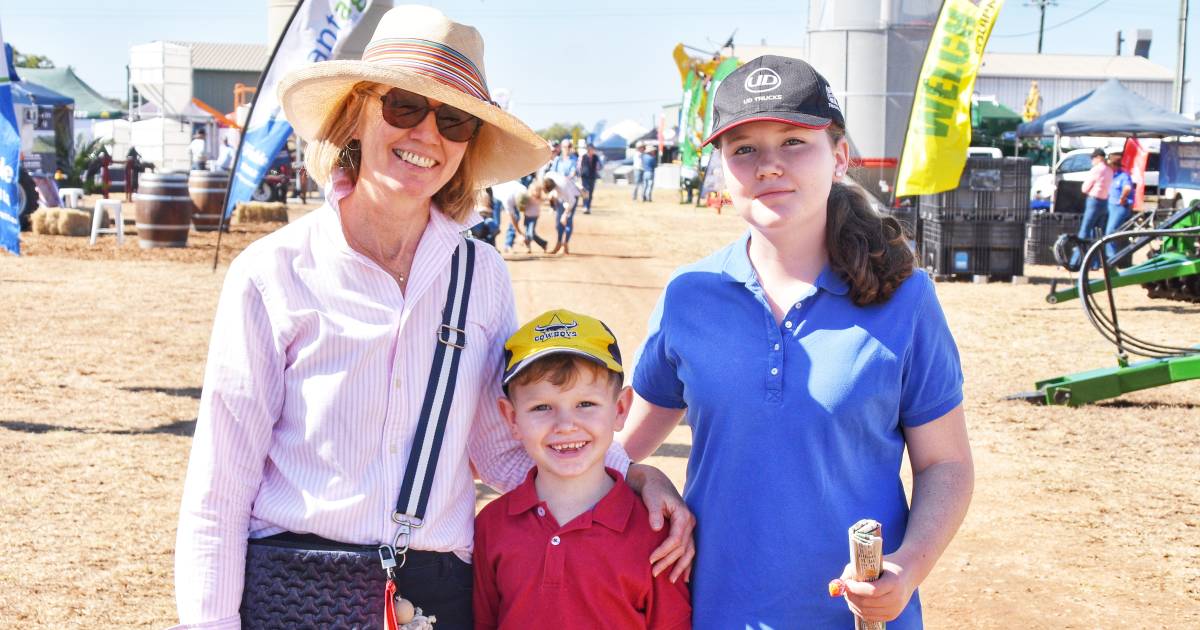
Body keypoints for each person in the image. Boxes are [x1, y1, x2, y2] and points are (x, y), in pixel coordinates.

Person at [172, 7, 693, 630]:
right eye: (403, 107)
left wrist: (633, 476)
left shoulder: (482, 274)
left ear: (468, 143)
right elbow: (219, 492)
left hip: (435, 594)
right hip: (295, 586)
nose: (426, 134)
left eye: (453, 119)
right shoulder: (271, 271)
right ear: (356, 113)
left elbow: (504, 448)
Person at [618, 55, 973, 629]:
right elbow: (618, 451)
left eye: (793, 142)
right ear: (721, 169)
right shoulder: (690, 295)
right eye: (744, 149)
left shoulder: (906, 298)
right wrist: (643, 475)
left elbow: (947, 464)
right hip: (715, 612)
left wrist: (907, 570)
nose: (769, 166)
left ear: (839, 157)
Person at [473, 309, 692, 629]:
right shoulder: (491, 527)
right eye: (541, 407)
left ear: (620, 409)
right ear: (511, 418)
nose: (565, 425)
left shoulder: (656, 532)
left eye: (585, 404)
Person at [1073, 148, 1112, 269]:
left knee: (1084, 232)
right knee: (1098, 234)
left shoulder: (1096, 170)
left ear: (1098, 158)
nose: (1092, 161)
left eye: (1093, 159)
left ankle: (1075, 262)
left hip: (1094, 201)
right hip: (1105, 202)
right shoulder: (1109, 170)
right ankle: (1095, 263)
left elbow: (1084, 188)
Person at [1105, 151, 1135, 265]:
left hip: (1119, 207)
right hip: (1111, 206)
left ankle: (1111, 259)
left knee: (1110, 232)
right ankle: (1114, 258)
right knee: (1110, 232)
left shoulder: (1124, 176)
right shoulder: (1112, 176)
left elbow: (1127, 188)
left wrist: (1122, 197)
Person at [543, 169, 580, 255]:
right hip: (561, 197)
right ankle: (559, 243)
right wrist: (552, 202)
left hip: (572, 196)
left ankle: (565, 243)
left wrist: (565, 214)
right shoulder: (547, 176)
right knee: (558, 223)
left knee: (567, 221)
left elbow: (572, 201)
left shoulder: (563, 186)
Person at [578, 143, 602, 214]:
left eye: (593, 149)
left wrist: (598, 168)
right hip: (584, 177)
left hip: (592, 177)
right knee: (585, 192)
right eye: (591, 149)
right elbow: (579, 166)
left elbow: (600, 165)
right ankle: (585, 206)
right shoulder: (583, 156)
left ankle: (588, 207)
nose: (592, 150)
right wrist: (580, 173)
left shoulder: (596, 157)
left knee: (590, 193)